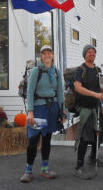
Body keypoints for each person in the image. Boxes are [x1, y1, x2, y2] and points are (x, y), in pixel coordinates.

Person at [20, 45, 65, 183]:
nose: (46, 56)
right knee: (33, 140)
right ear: (41, 56)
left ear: (53, 55)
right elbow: (30, 92)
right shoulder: (35, 71)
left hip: (52, 109)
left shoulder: (56, 72)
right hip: (39, 110)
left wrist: (62, 111)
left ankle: (45, 169)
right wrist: (30, 112)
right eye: (44, 54)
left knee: (47, 139)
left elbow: (60, 92)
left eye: (49, 53)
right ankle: (28, 171)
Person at [73, 44, 103, 179]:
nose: (91, 53)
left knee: (100, 134)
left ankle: (92, 158)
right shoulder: (80, 70)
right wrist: (95, 95)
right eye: (89, 52)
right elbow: (78, 88)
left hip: (97, 108)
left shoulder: (98, 69)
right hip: (85, 108)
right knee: (85, 138)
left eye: (93, 52)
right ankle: (78, 167)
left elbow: (102, 88)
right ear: (85, 54)